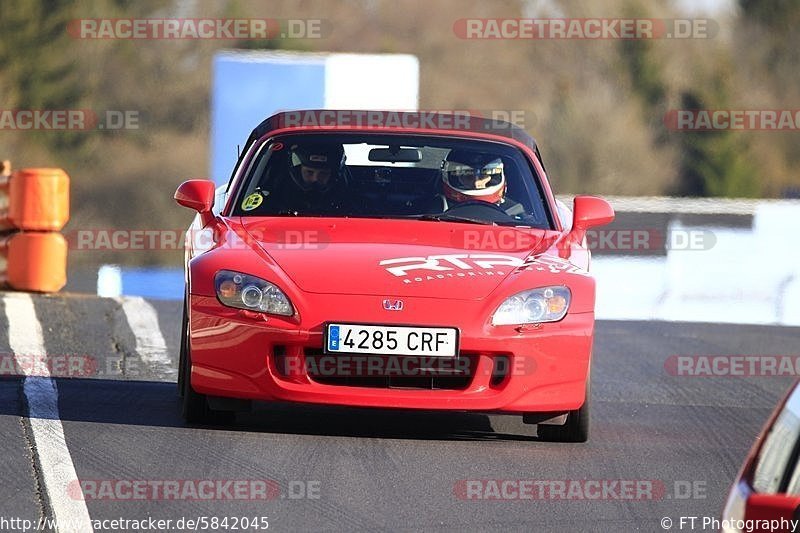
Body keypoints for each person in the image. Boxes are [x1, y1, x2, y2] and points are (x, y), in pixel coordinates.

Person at [437, 150, 523, 215]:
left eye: (484, 175)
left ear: (495, 176)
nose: (476, 183)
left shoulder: (514, 211)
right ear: (455, 178)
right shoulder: (436, 209)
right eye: (468, 176)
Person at [270, 143, 348, 214]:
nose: (315, 179)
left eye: (323, 174)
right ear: (298, 171)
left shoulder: (348, 197)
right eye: (309, 172)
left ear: (333, 175)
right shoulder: (276, 195)